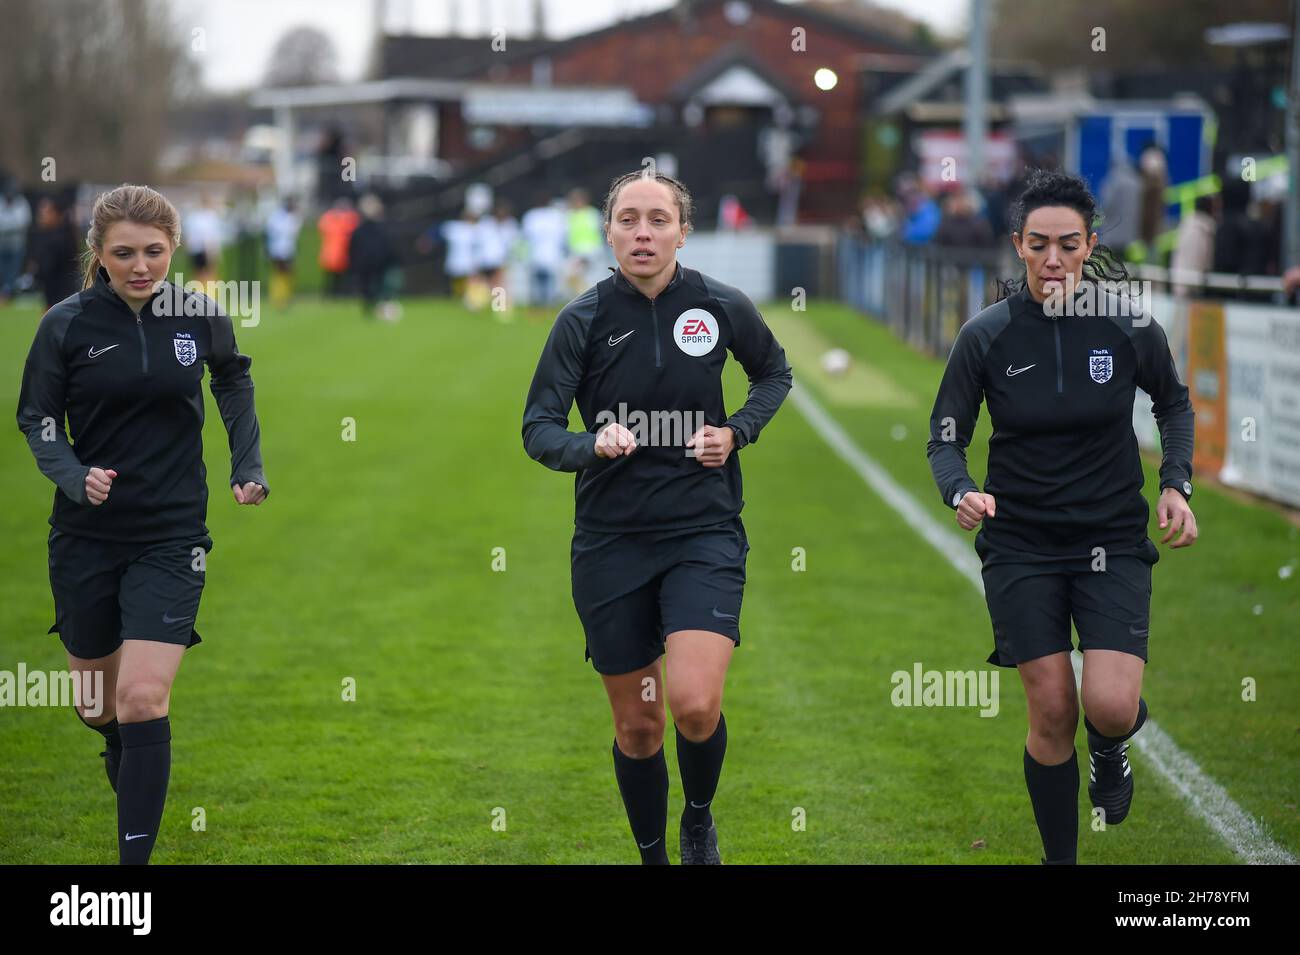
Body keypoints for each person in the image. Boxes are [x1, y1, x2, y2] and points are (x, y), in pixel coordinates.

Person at [927, 169, 1197, 865]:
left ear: (1090, 245)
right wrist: (960, 490)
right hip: (1020, 543)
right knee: (1050, 709)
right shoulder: (986, 335)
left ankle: (1111, 747)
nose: (1053, 259)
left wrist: (1176, 484)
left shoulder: (1128, 324)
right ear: (1018, 245)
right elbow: (946, 433)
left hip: (1111, 537)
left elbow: (1173, 402)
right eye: (1038, 243)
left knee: (1106, 705)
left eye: (1068, 244)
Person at [522, 170, 792, 864]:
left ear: (682, 230)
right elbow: (538, 427)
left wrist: (736, 431)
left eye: (658, 220)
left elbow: (774, 374)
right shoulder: (580, 321)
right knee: (639, 726)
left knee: (695, 704)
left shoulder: (720, 305)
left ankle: (698, 816)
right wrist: (591, 444)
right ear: (608, 231)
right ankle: (652, 856)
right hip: (612, 545)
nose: (643, 233)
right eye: (629, 220)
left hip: (702, 531)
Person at [15, 183, 269, 865]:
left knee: (143, 695)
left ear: (173, 248)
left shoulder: (200, 316)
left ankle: (133, 879)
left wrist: (249, 464)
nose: (140, 266)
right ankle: (122, 753)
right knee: (98, 707)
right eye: (124, 252)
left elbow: (233, 382)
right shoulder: (64, 325)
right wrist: (75, 475)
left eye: (154, 251)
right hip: (85, 537)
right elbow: (35, 418)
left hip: (172, 535)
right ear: (97, 252)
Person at [348, 194, 397, 320]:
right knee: (372, 286)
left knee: (371, 286)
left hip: (370, 262)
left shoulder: (363, 230)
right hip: (372, 262)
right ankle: (374, 306)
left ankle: (374, 306)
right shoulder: (375, 229)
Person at [27, 196, 81, 309]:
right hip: (57, 292)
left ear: (57, 214)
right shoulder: (62, 234)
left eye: (45, 211)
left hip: (59, 292)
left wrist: (35, 271)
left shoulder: (59, 238)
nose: (41, 214)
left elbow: (47, 267)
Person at [520, 193, 567, 306]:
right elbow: (562, 236)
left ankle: (541, 304)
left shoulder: (531, 215)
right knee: (549, 283)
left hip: (538, 254)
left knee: (539, 283)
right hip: (550, 254)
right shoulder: (556, 216)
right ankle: (547, 304)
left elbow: (525, 236)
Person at [264, 196, 301, 311]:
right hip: (278, 250)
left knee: (287, 274)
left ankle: (284, 296)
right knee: (280, 273)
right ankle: (279, 297)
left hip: (287, 250)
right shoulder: (278, 217)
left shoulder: (289, 217)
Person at [318, 197, 360, 298]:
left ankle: (336, 293)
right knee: (333, 277)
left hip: (340, 253)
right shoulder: (332, 219)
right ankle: (333, 293)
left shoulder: (333, 219)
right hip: (335, 253)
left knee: (339, 276)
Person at [0, 177, 32, 303]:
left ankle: (8, 294)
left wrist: (6, 225)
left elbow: (23, 222)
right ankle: (4, 292)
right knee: (2, 271)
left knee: (13, 271)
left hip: (17, 246)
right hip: (1, 246)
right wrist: (12, 225)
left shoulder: (21, 203)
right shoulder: (1, 202)